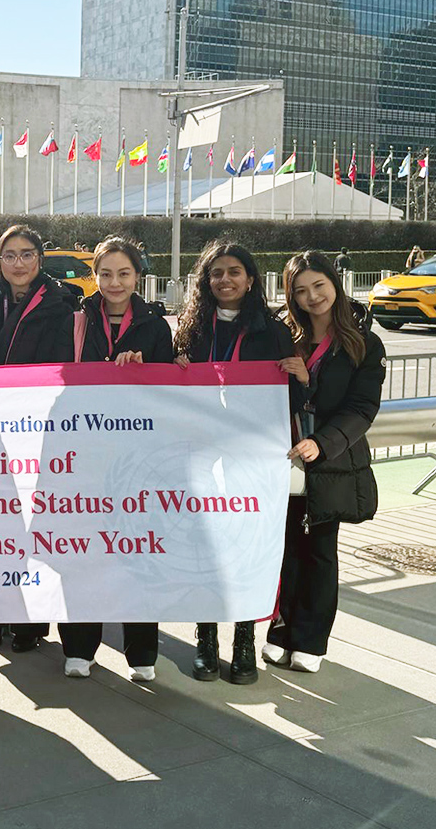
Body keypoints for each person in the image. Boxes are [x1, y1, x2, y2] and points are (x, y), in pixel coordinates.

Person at [173, 238, 294, 686]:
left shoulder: (274, 330)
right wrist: (176, 367)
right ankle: (206, 638)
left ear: (251, 279)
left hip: (251, 458)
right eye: (216, 273)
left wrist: (299, 377)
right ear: (206, 281)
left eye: (234, 272)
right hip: (200, 454)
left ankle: (244, 638)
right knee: (204, 544)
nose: (225, 280)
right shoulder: (191, 328)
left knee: (247, 544)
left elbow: (288, 398)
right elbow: (168, 395)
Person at [57, 236, 174, 682]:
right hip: (84, 454)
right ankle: (79, 646)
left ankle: (142, 649)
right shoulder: (76, 321)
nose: (114, 282)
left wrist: (146, 368)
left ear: (138, 277)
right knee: (83, 548)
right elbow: (58, 379)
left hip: (137, 458)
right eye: (105, 273)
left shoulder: (156, 326)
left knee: (136, 548)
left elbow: (170, 394)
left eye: (124, 273)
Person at [266, 250, 385, 674]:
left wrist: (323, 442)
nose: (312, 296)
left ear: (334, 283)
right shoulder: (282, 335)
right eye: (300, 290)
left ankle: (311, 642)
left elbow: (362, 408)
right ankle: (279, 633)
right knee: (283, 551)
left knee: (319, 551)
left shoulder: (363, 343)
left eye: (319, 285)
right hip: (280, 458)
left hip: (327, 460)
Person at [0, 224, 78, 654]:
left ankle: (32, 622)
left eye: (26, 254)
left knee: (35, 529)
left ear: (39, 258)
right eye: (9, 255)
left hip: (37, 434)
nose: (18, 263)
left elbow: (62, 371)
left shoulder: (60, 305)